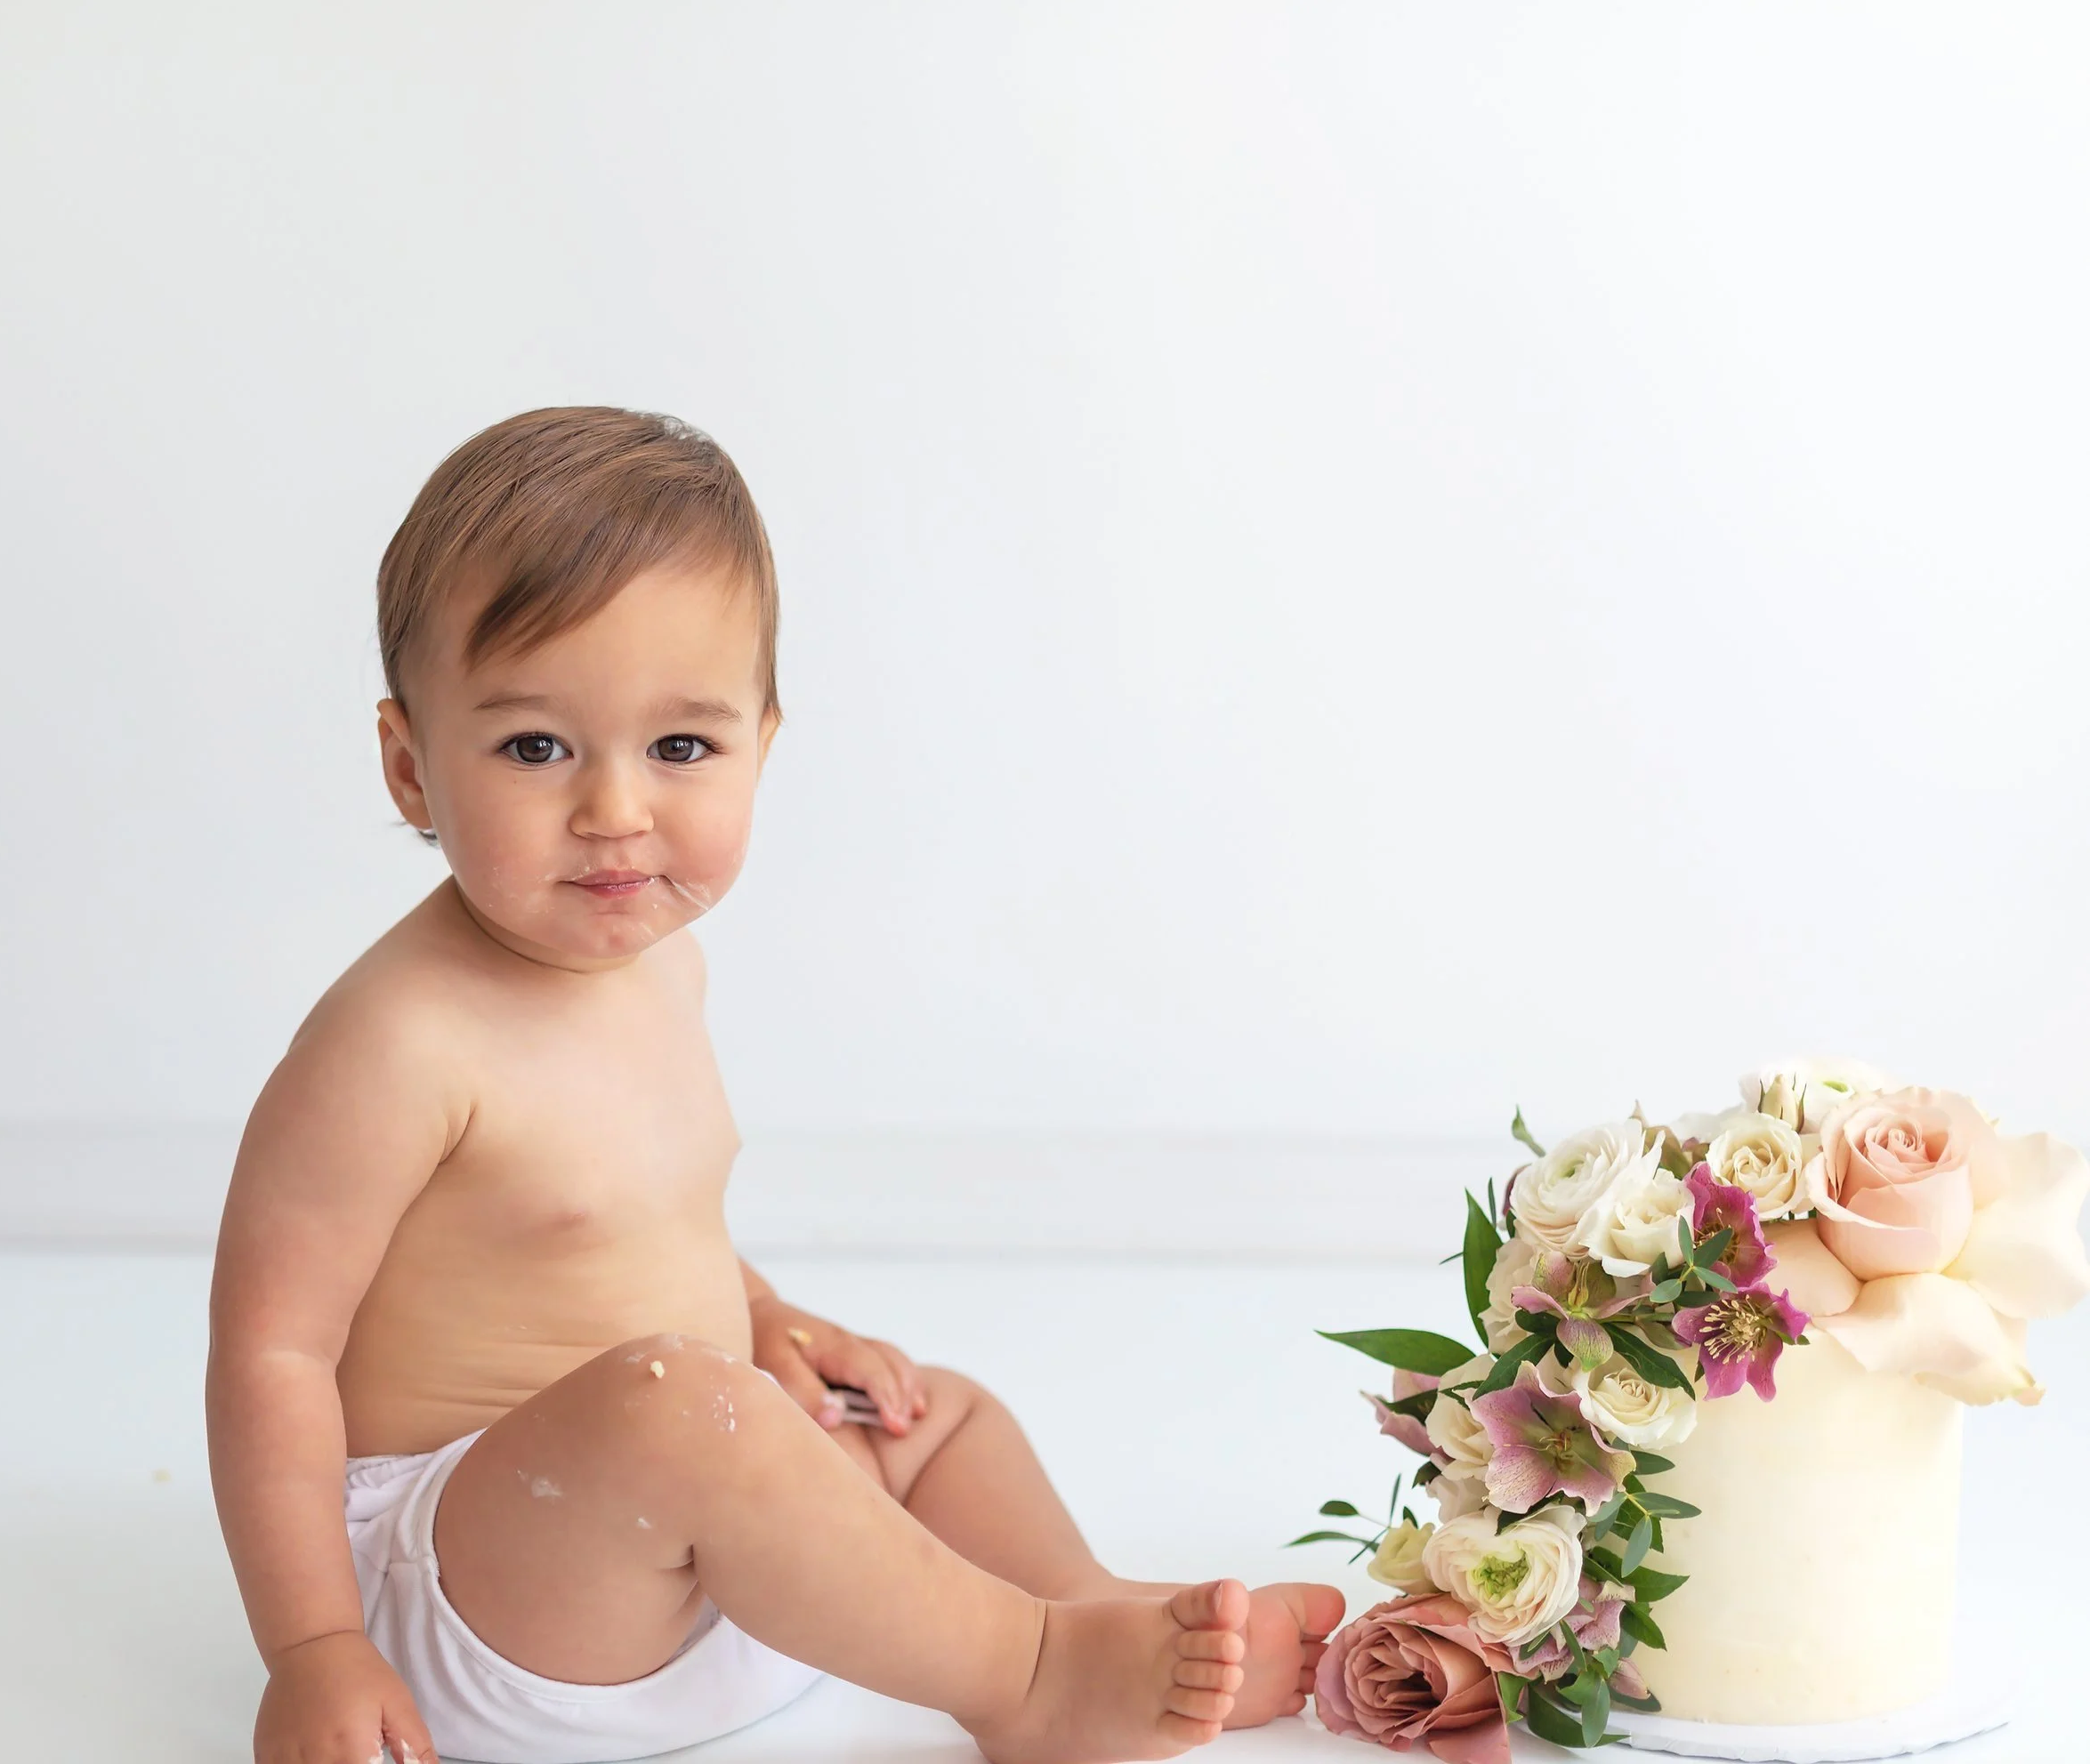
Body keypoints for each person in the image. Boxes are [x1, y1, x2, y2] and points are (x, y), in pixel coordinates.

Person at [206, 407, 1345, 1764]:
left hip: (688, 1531)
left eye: (680, 749)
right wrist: (316, 1649)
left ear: (762, 737)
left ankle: (1080, 1607)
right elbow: (270, 1356)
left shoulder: (657, 968)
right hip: (494, 1596)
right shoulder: (393, 1044)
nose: (616, 811)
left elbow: (634, 1227)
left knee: (927, 1414)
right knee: (687, 1412)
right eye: (533, 749)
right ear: (411, 766)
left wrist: (770, 1315)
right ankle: (1027, 1680)